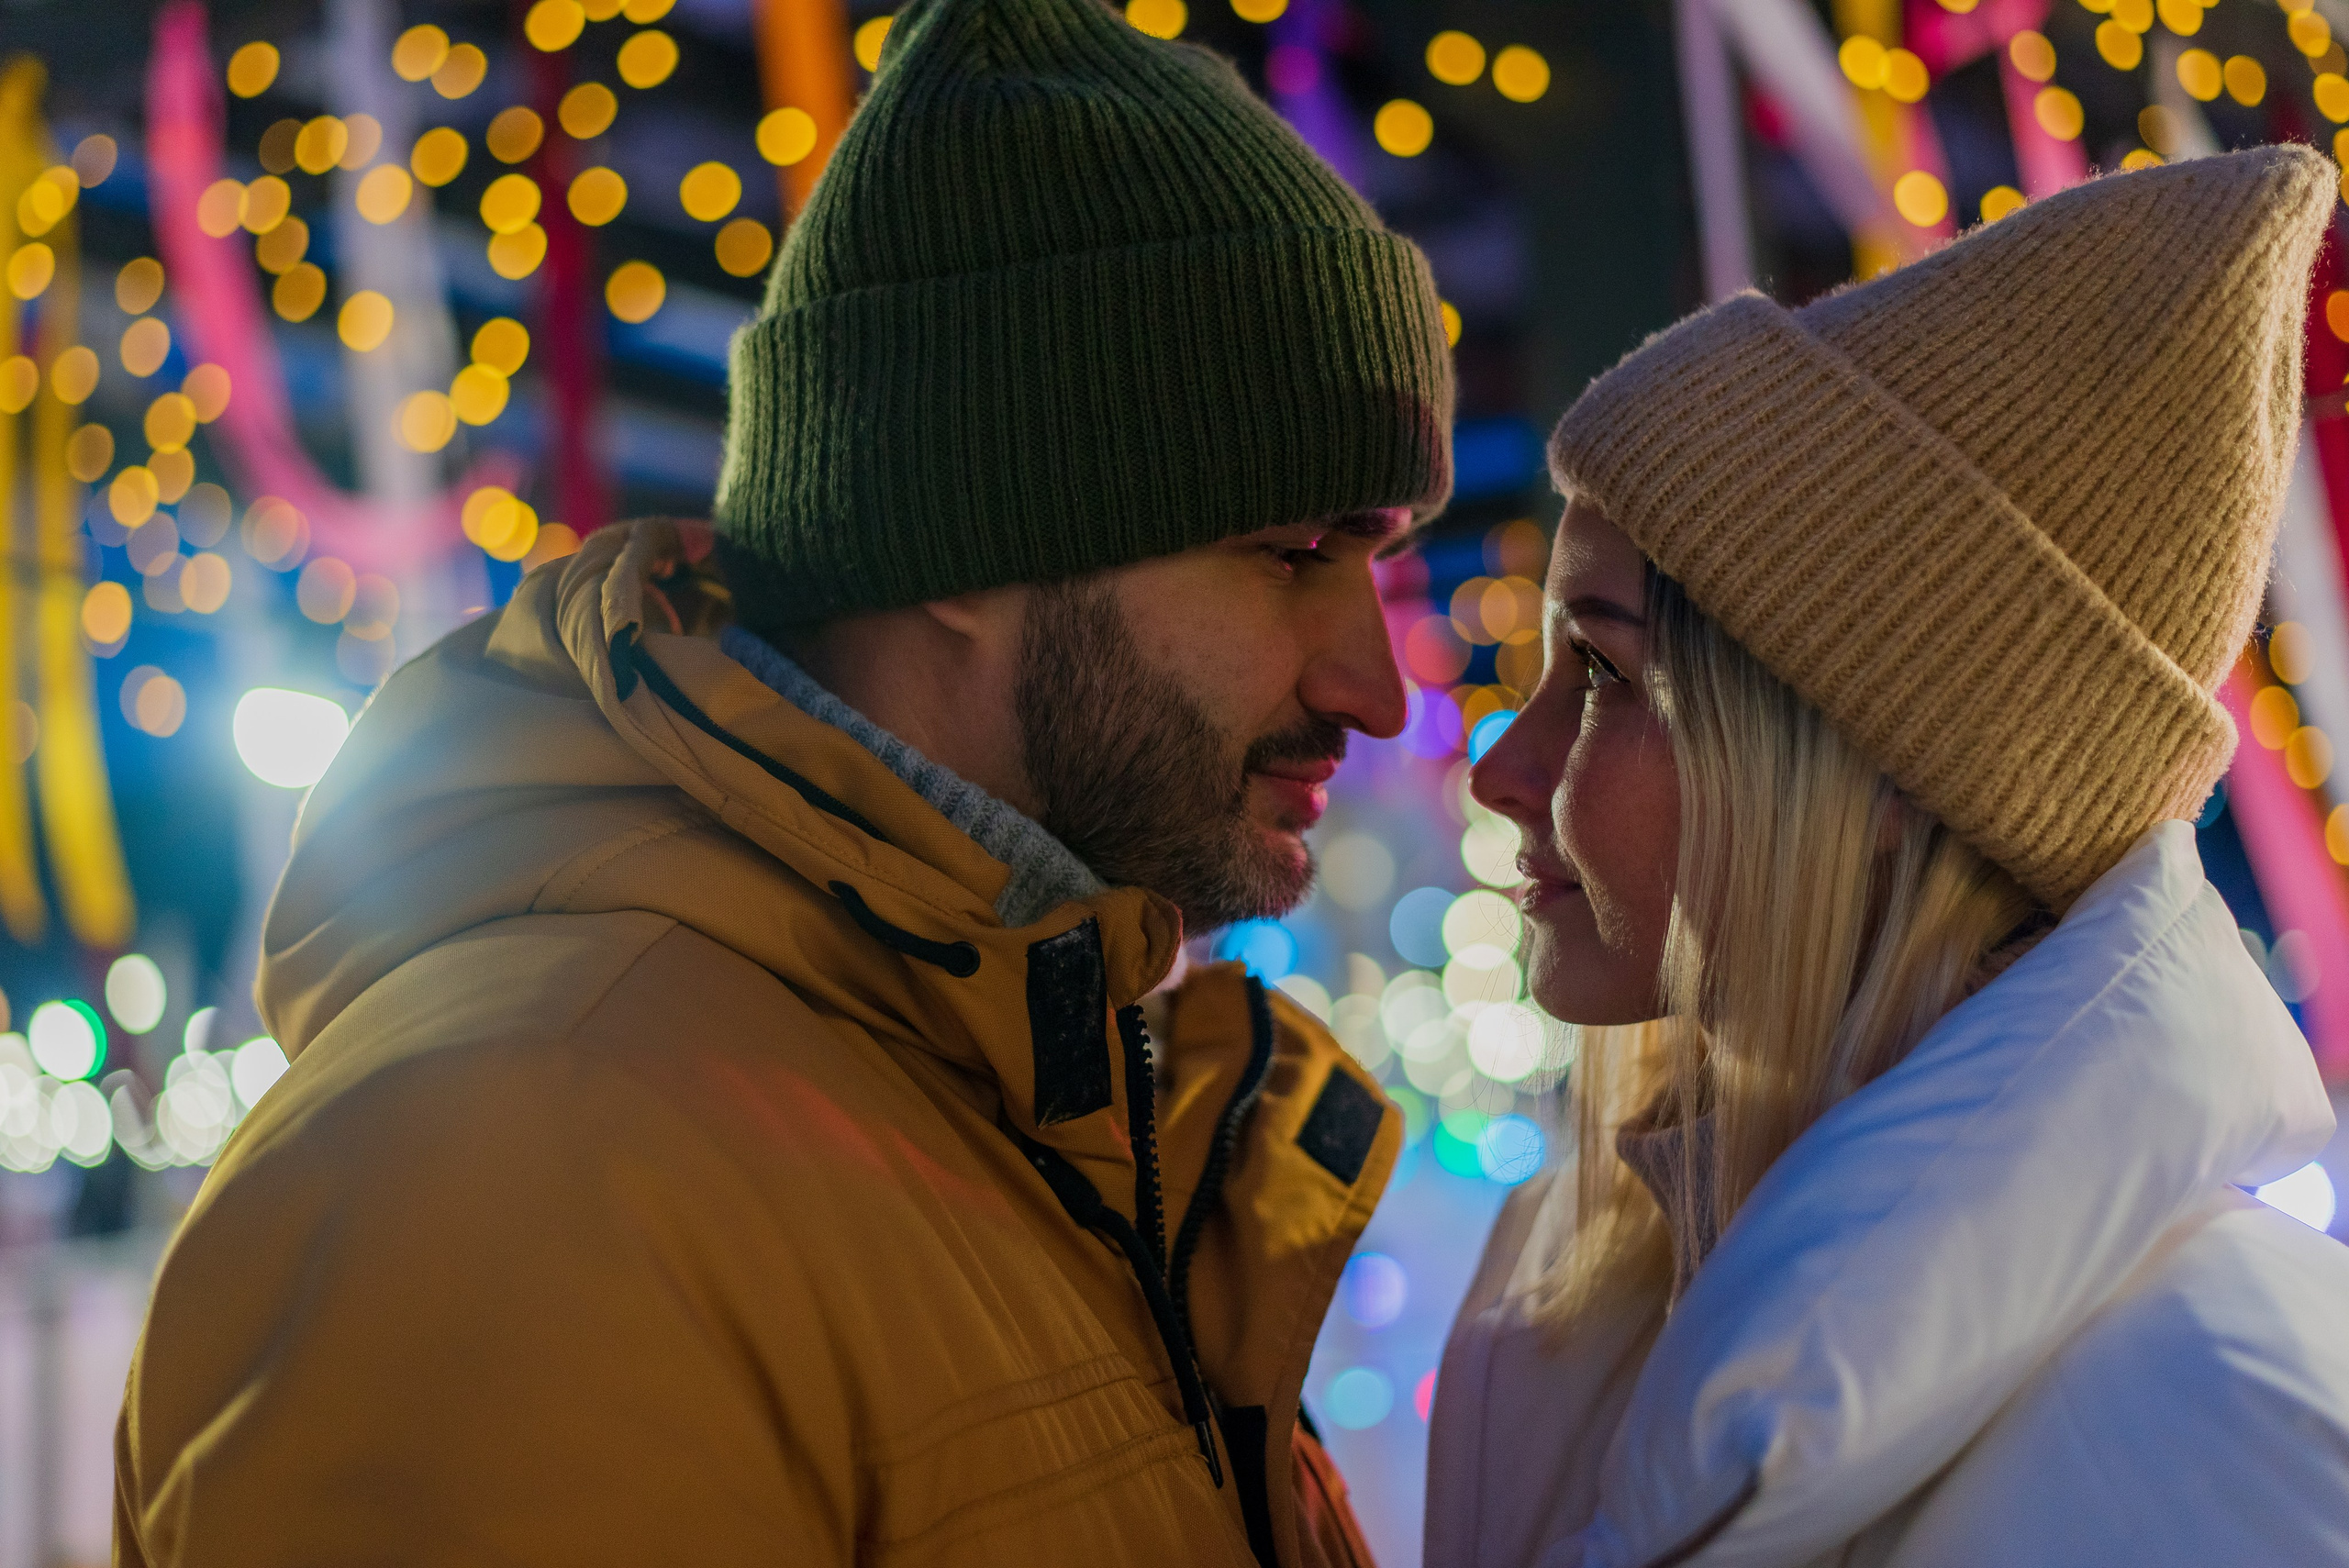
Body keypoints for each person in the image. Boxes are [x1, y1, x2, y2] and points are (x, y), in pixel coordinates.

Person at [114, 2, 1453, 1563]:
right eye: (1292, 550)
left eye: (1378, 557)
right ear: (970, 538)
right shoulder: (518, 1169)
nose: (1377, 683)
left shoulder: (1057, 1091)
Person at [1428, 145, 2349, 1568]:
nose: (1502, 766)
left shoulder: (2234, 1419)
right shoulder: (1576, 1301)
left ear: (1875, 773)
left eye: (1605, 677)